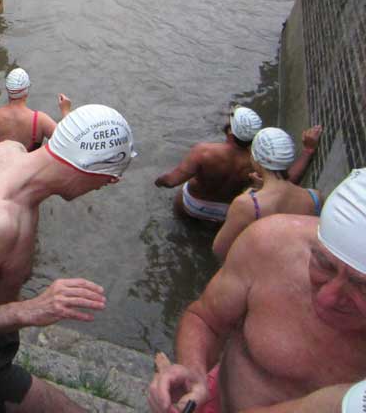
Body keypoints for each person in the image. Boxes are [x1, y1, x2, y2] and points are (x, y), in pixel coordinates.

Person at [0, 104, 136, 412]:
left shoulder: (7, 151)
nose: (104, 187)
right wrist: (31, 310)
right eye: (106, 180)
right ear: (88, 169)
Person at [148, 168, 366, 413]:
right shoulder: (271, 243)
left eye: (362, 286)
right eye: (323, 264)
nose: (327, 298)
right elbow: (206, 318)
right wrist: (192, 371)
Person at [154, 106, 321, 223]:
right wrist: (308, 151)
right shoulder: (258, 161)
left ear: (230, 132)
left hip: (193, 205)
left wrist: (157, 181)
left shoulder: (204, 152)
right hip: (226, 212)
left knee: (179, 208)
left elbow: (171, 181)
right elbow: (288, 183)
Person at [212, 127, 322, 261]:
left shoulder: (247, 205)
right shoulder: (315, 197)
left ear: (256, 159)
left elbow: (220, 250)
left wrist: (250, 193)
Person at [0, 67, 72, 151]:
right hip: (30, 171)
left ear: (7, 89)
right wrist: (65, 111)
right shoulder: (39, 120)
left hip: (5, 169)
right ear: (26, 91)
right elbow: (67, 141)